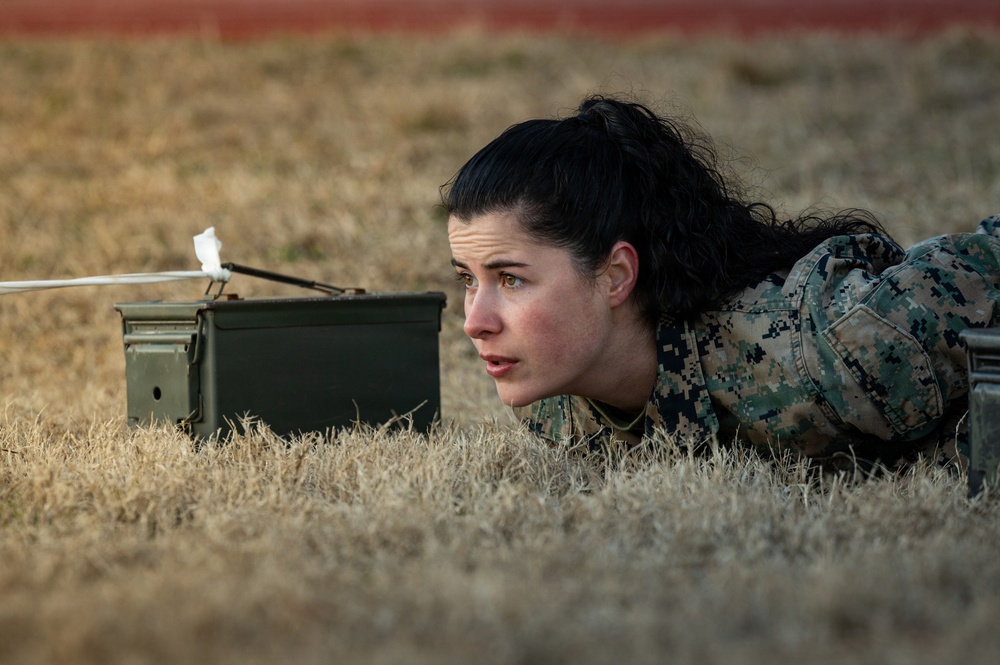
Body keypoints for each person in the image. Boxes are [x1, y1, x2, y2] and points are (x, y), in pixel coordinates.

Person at [443, 94, 1000, 470]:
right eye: (467, 279)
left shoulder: (833, 345)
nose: (474, 321)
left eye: (511, 281)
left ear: (615, 276)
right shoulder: (554, 406)